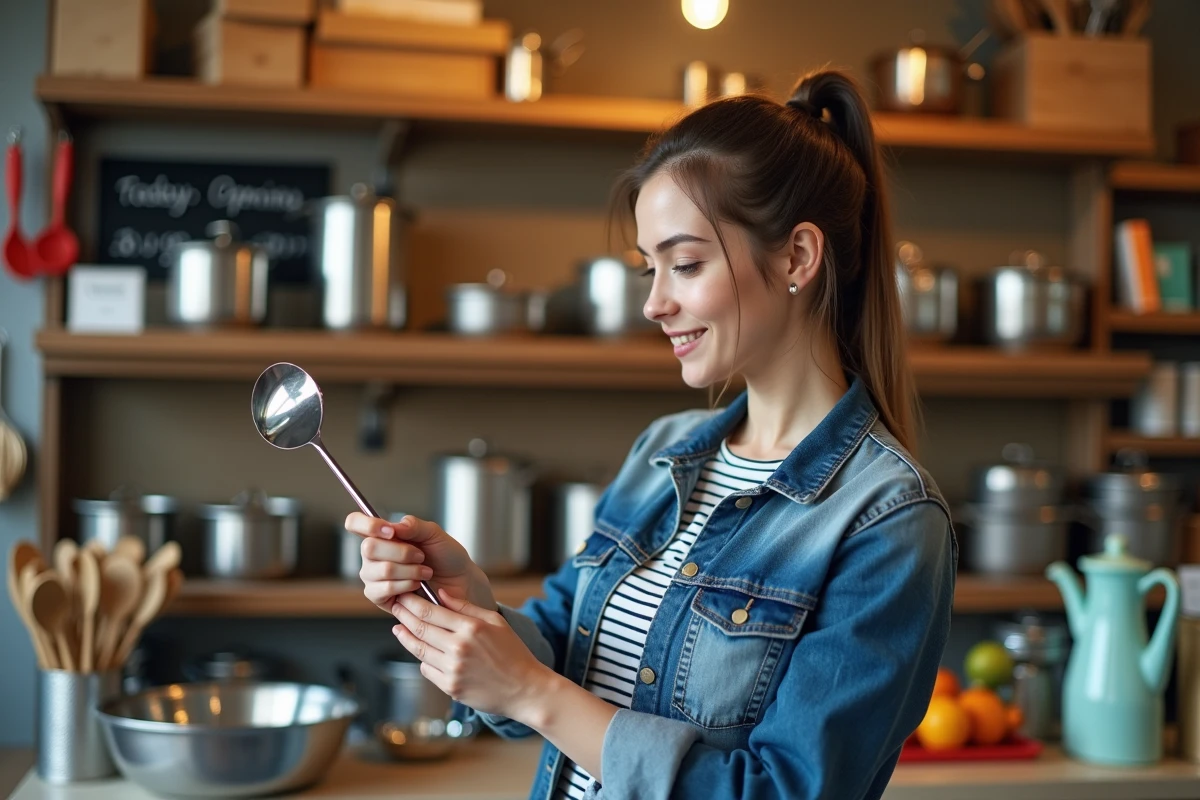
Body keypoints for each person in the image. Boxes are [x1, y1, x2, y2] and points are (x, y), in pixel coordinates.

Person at [345, 67, 957, 800]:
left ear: (797, 256)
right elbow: (568, 649)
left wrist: (532, 694)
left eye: (686, 264)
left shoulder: (887, 520)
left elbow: (786, 790)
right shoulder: (665, 451)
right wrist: (468, 600)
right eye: (649, 269)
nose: (655, 303)